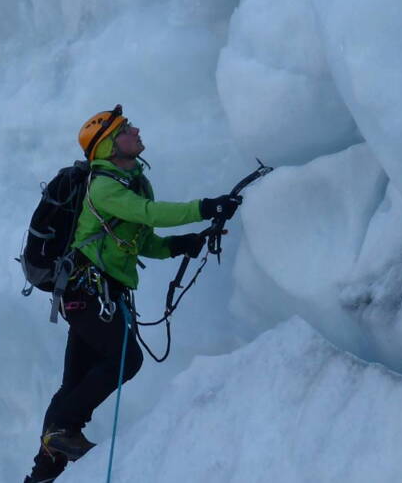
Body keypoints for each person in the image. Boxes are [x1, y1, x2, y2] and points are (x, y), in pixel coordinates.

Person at [24, 106, 241, 483]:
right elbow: (150, 214)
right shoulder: (105, 186)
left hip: (90, 294)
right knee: (126, 360)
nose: (135, 129)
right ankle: (59, 434)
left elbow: (140, 239)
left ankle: (41, 476)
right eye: (125, 128)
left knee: (74, 385)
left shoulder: (129, 182)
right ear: (109, 145)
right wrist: (207, 207)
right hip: (88, 291)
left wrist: (179, 245)